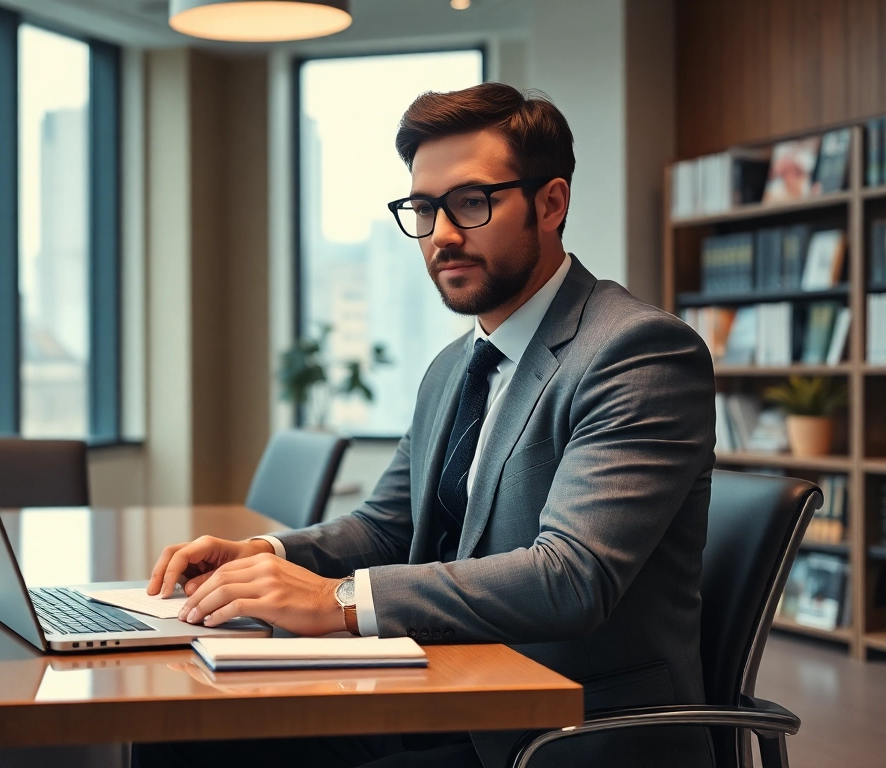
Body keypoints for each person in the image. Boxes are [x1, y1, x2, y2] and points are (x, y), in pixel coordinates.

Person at [132, 82, 716, 768]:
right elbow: (386, 525)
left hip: (565, 728)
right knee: (186, 740)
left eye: (471, 202)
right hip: (443, 694)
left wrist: (341, 601)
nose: (441, 234)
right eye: (424, 208)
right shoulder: (454, 366)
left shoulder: (636, 350)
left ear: (551, 203)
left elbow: (571, 576)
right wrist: (269, 555)